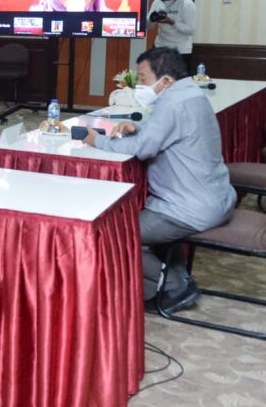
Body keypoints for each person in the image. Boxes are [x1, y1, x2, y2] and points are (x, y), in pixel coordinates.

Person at [79, 47, 235, 312]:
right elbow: (170, 133)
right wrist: (138, 127)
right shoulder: (191, 94)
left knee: (113, 235)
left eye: (143, 78)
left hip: (187, 208)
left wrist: (97, 140)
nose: (139, 85)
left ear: (166, 80)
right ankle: (173, 278)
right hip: (217, 197)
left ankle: (175, 287)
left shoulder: (173, 102)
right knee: (127, 229)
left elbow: (143, 149)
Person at [148, 0, 197, 75]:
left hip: (181, 49)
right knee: (157, 78)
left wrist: (172, 22)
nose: (164, 2)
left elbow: (191, 30)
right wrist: (151, 19)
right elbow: (148, 26)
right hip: (160, 46)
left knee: (178, 80)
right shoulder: (158, 1)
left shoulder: (187, 4)